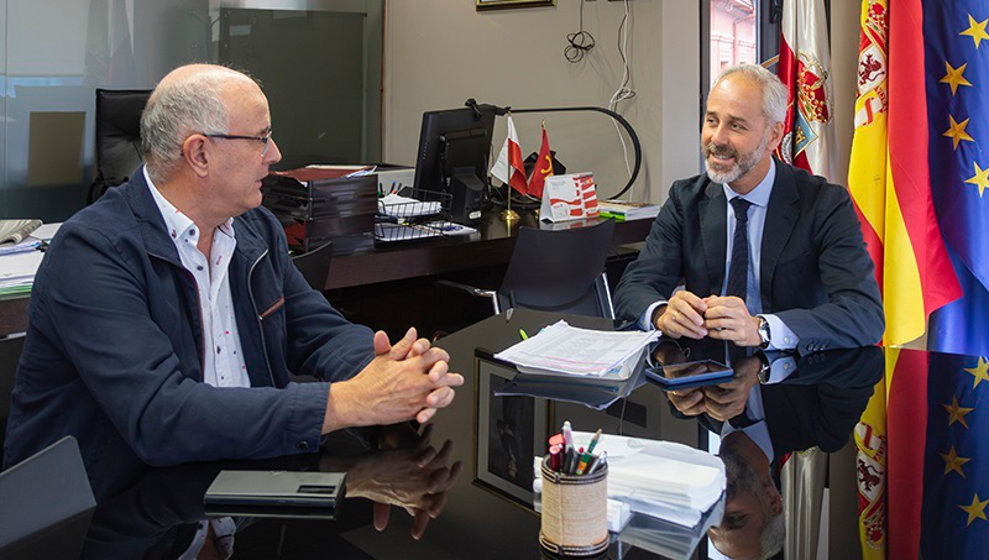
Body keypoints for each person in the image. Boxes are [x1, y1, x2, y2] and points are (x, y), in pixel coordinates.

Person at [2, 64, 463, 495]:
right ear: (200, 152)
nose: (276, 155)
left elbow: (315, 330)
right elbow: (161, 416)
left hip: (238, 485)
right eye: (260, 138)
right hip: (108, 510)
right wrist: (350, 402)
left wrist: (393, 369)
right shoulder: (93, 250)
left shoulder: (253, 228)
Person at [614, 64, 884, 354]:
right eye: (711, 121)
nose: (717, 139)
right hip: (704, 375)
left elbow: (863, 315)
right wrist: (661, 313)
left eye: (736, 125)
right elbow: (633, 287)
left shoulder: (824, 204)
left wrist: (761, 328)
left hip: (795, 379)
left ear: (773, 135)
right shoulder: (685, 199)